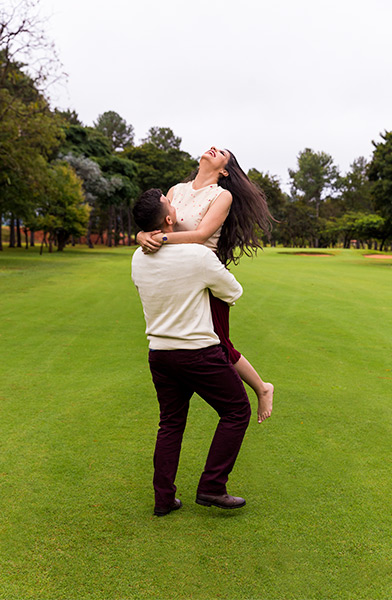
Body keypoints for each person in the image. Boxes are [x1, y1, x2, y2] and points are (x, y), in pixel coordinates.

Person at [131, 188, 250, 516]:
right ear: (169, 220)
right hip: (198, 353)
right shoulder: (198, 255)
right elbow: (233, 291)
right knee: (237, 410)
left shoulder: (138, 257)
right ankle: (212, 486)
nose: (176, 205)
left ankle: (164, 500)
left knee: (170, 424)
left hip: (160, 353)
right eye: (171, 204)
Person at [136, 146, 275, 424]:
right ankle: (257, 387)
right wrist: (141, 233)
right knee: (205, 343)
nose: (213, 148)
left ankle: (261, 387)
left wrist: (159, 239)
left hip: (206, 276)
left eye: (222, 152)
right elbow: (159, 221)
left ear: (224, 170)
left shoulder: (221, 195)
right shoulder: (175, 190)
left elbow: (200, 235)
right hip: (177, 275)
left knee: (220, 343)